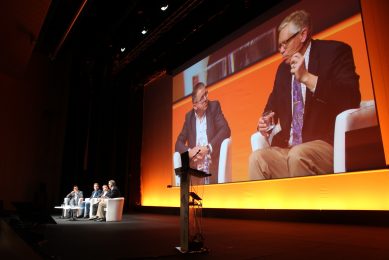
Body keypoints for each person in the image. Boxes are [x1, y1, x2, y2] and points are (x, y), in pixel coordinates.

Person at [248, 10, 361, 180]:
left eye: (284, 43)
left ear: (302, 34)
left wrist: (307, 78)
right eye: (279, 46)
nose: (281, 50)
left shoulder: (335, 52)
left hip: (326, 145)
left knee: (298, 155)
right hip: (289, 148)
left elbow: (351, 98)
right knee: (257, 159)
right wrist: (264, 122)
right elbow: (271, 108)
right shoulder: (283, 70)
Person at [175, 82, 231, 184]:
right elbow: (178, 143)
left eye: (206, 94)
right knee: (186, 170)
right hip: (195, 165)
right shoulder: (189, 117)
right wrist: (190, 152)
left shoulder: (214, 107)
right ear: (195, 105)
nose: (205, 99)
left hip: (211, 160)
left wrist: (208, 148)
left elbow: (225, 130)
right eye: (202, 98)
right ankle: (185, 199)